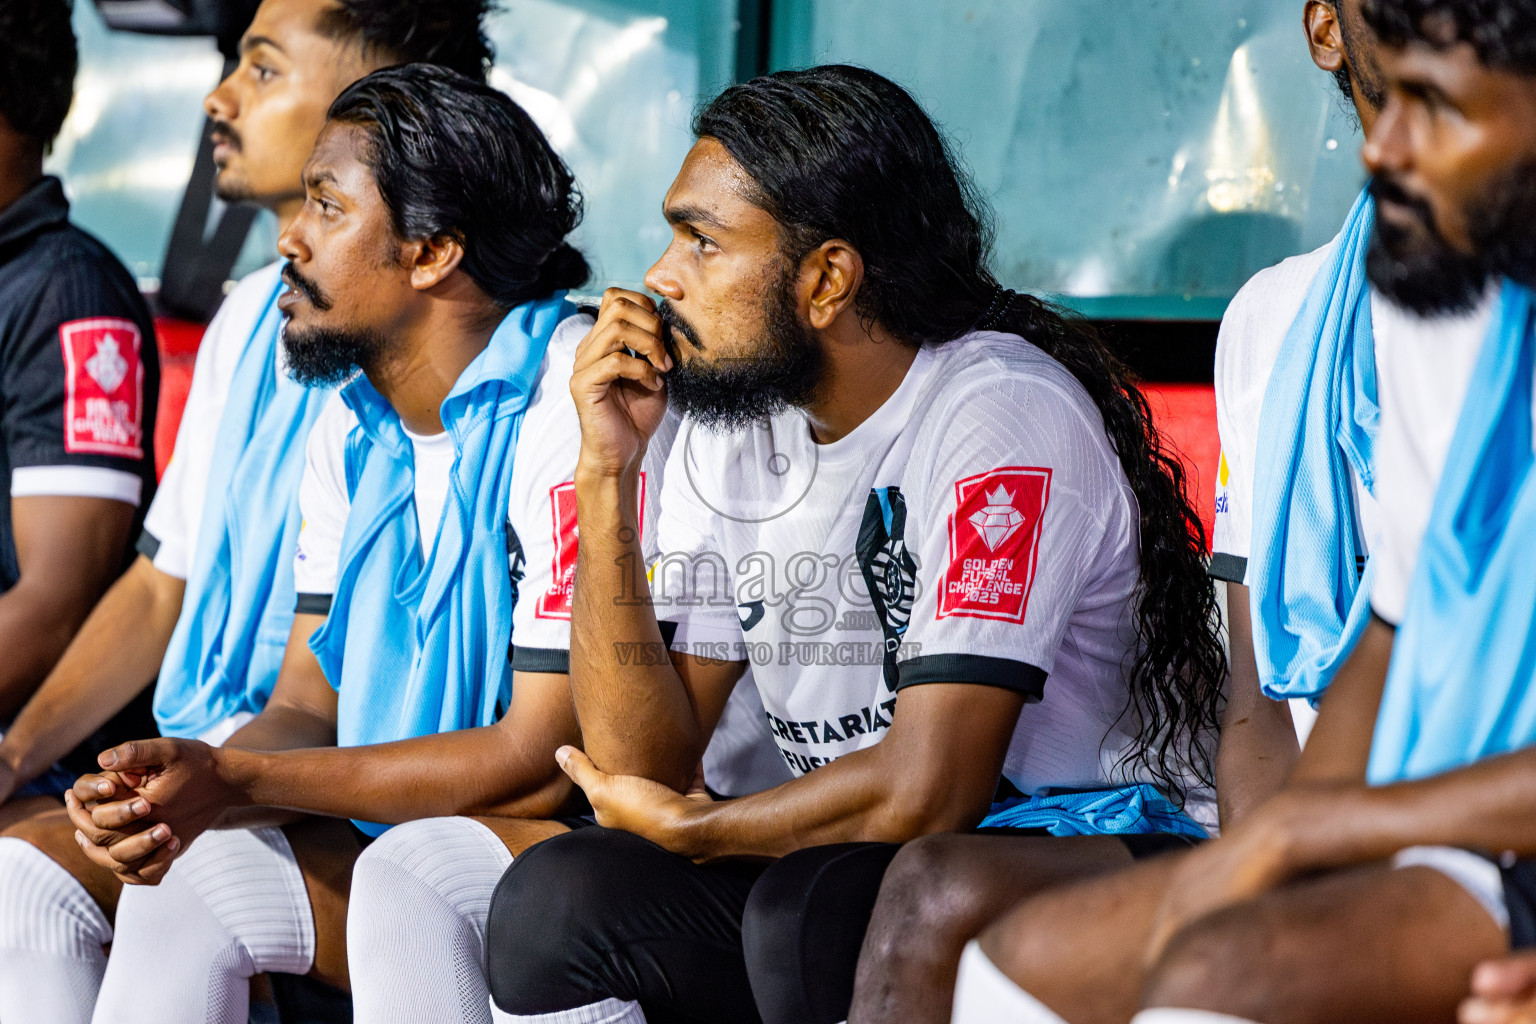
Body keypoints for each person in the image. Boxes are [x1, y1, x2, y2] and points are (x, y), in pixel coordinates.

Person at [478, 63, 1226, 1024]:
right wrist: (608, 477)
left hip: (1101, 839)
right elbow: (647, 766)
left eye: (702, 240)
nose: (659, 275)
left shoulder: (997, 410)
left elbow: (931, 791)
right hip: (876, 855)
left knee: (809, 909)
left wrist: (706, 831)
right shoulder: (735, 425)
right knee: (561, 901)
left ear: (827, 278)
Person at [64, 63, 780, 1024]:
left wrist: (238, 778)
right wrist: (175, 786)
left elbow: (538, 755)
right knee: (195, 871)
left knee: (413, 873)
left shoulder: (569, 397)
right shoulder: (350, 415)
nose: (290, 237)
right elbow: (304, 708)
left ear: (433, 251)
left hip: (609, 860)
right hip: (440, 833)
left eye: (326, 205)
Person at [844, 5, 1495, 1020]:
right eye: (1394, 97)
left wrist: (1306, 847)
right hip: (1366, 822)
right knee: (1009, 959)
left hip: (1483, 838)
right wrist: (1278, 848)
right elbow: (1303, 674)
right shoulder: (1346, 321)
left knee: (1208, 980)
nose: (1388, 147)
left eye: (1443, 106)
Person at [0, 2, 493, 1021]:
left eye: (262, 70)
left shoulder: (457, 356)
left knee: (35, 880)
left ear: (381, 99)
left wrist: (224, 781)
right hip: (232, 758)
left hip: (352, 795)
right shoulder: (241, 317)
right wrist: (11, 753)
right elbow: (158, 584)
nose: (220, 98)